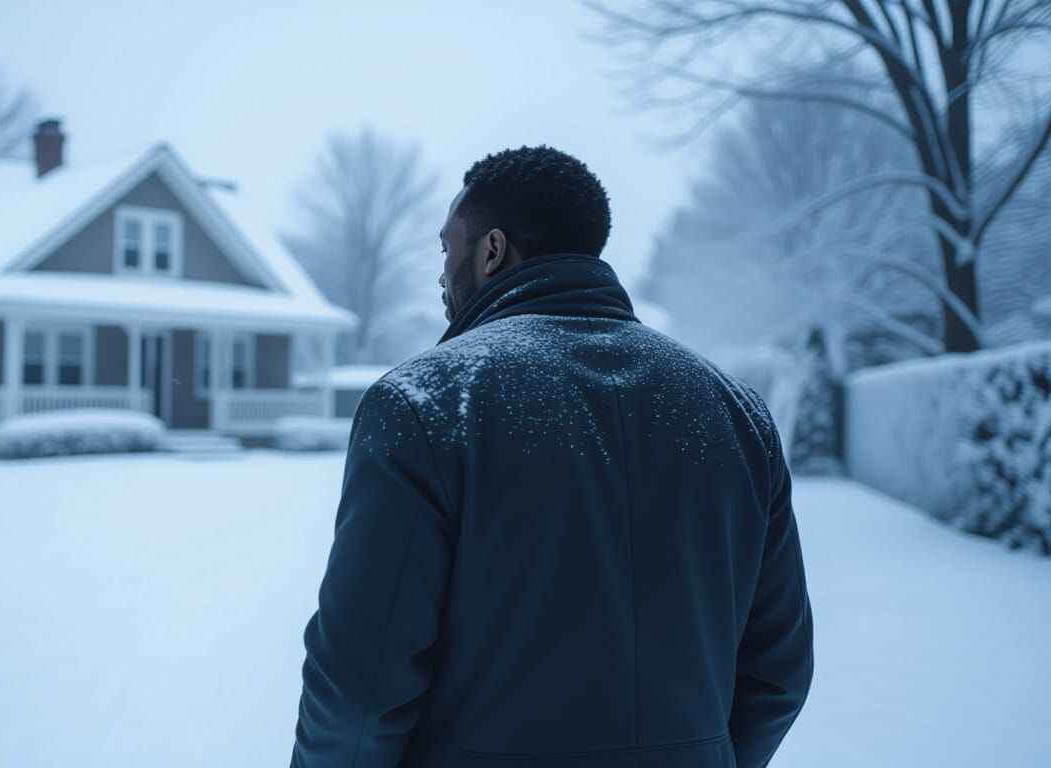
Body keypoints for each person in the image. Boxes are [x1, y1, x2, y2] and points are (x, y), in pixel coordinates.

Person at [291, 145, 813, 768]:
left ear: (491, 250)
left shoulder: (425, 404)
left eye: (446, 249)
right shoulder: (735, 413)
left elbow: (359, 693)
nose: (440, 276)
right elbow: (778, 673)